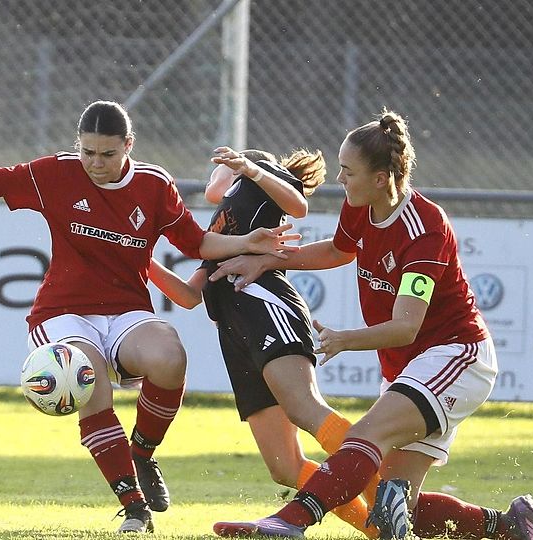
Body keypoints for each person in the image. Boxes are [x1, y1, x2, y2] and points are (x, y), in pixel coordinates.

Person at [0, 100, 299, 534]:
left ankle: (141, 453)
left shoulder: (154, 184)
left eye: (107, 154)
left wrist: (246, 242)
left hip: (126, 309)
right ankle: (134, 507)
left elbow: (195, 243)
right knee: (88, 379)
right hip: (63, 312)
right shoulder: (56, 173)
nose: (95, 163)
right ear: (78, 145)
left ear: (128, 146)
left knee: (170, 357)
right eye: (87, 152)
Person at [207, 111, 533, 540]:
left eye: (348, 171)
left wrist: (344, 339)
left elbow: (405, 327)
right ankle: (512, 526)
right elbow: (339, 251)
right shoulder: (361, 205)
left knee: (365, 435)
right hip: (410, 366)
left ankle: (290, 521)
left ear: (380, 179)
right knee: (395, 508)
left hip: (456, 356)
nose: (340, 178)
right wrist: (269, 260)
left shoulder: (425, 228)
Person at [148, 146, 380, 538]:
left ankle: (389, 496)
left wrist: (252, 169)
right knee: (284, 467)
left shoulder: (257, 177)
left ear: (235, 167)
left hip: (266, 306)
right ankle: (379, 531)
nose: (211, 178)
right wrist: (141, 261)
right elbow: (188, 296)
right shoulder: (220, 227)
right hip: (235, 331)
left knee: (305, 408)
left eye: (217, 170)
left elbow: (298, 205)